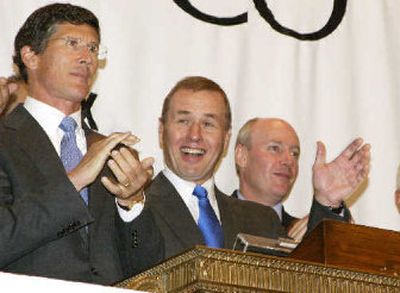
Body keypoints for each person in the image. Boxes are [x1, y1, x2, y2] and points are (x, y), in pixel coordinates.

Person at [0, 3, 162, 284]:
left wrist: (132, 204)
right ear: (31, 56)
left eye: (93, 48)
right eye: (72, 43)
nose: (87, 58)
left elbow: (149, 272)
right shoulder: (5, 140)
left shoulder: (115, 152)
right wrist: (74, 180)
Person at [145, 76, 369, 259]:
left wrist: (327, 203)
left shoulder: (262, 220)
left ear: (225, 140)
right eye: (183, 121)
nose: (194, 135)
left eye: (208, 124)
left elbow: (306, 281)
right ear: (161, 130)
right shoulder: (133, 209)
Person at [233, 118, 367, 241]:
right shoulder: (215, 222)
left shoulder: (310, 234)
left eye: (294, 153)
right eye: (275, 148)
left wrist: (330, 202)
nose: (288, 160)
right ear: (242, 156)